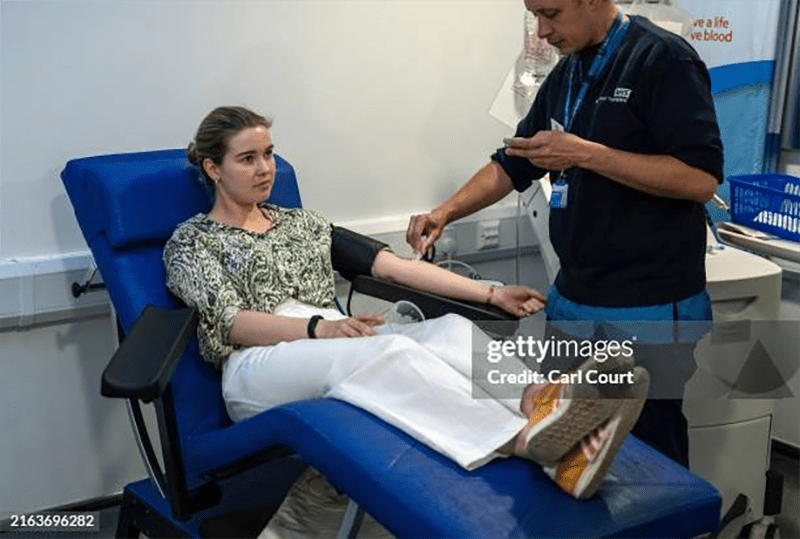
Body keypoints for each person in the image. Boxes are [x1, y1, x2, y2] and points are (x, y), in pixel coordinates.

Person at [164, 105, 649, 501]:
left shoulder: (301, 223)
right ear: (214, 168)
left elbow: (394, 266)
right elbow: (230, 323)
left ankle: (542, 408)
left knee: (449, 330)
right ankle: (521, 443)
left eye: (269, 154)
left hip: (333, 341)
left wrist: (491, 292)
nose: (265, 168)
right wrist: (319, 328)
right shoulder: (191, 241)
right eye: (247, 158)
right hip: (258, 367)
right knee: (390, 352)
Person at [406, 0, 723, 467]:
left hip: (646, 307)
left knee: (644, 455)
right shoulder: (569, 71)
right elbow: (515, 161)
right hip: (574, 301)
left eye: (551, 13)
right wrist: (445, 212)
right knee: (560, 443)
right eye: (534, 14)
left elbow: (700, 179)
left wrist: (587, 154)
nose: (541, 31)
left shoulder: (664, 59)